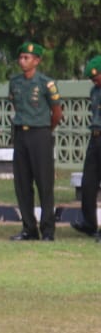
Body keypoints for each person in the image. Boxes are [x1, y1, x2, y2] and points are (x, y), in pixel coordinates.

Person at [5, 41, 64, 241]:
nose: (23, 61)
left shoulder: (46, 83)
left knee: (44, 183)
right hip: (21, 134)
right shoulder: (15, 82)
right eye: (21, 57)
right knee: (22, 183)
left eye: (27, 58)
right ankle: (29, 228)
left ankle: (48, 230)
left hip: (40, 134)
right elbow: (15, 104)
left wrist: (45, 129)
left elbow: (56, 113)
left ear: (37, 61)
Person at [77, 55, 101, 239]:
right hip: (95, 138)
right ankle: (89, 223)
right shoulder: (94, 91)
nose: (94, 80)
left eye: (96, 76)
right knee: (88, 183)